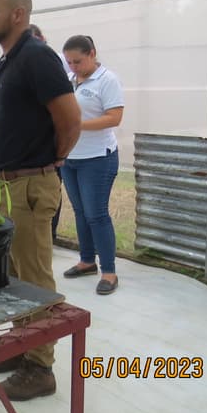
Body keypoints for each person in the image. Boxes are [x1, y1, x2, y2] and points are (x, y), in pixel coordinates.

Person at [0, 0, 81, 401]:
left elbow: (70, 120)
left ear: (17, 14)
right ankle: (23, 345)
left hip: (29, 183)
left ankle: (40, 367)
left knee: (36, 277)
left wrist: (51, 162)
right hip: (8, 185)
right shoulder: (8, 60)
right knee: (17, 274)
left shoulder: (37, 57)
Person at [60, 35, 124, 295]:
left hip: (98, 158)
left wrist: (78, 125)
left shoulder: (107, 80)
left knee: (96, 214)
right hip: (70, 157)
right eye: (69, 62)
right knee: (79, 211)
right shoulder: (69, 80)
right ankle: (87, 261)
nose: (73, 66)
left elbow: (114, 117)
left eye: (77, 61)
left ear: (92, 53)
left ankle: (109, 271)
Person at [29, 23, 65, 239]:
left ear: (42, 38)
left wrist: (60, 152)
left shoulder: (51, 61)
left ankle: (50, 234)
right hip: (33, 145)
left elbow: (66, 115)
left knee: (50, 193)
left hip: (50, 144)